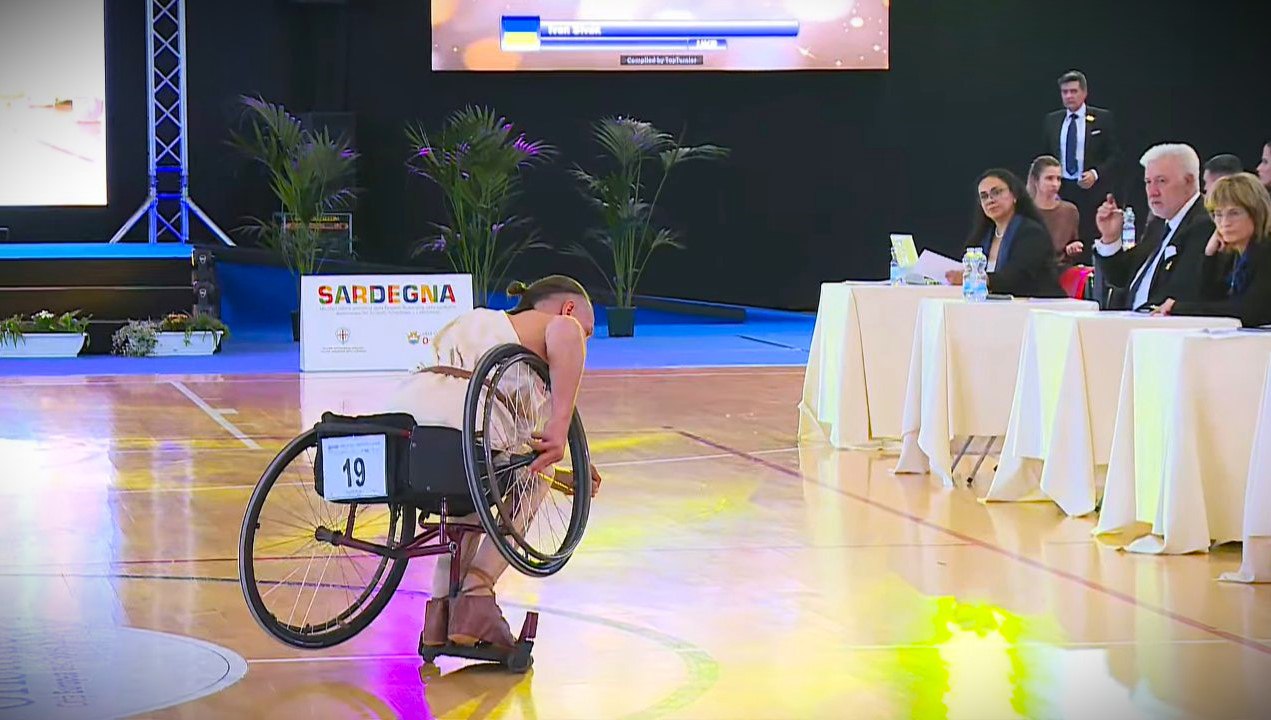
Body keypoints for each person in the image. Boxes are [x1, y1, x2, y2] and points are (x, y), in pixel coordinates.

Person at [393, 275, 601, 650]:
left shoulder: (479, 322)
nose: (584, 341)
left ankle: (439, 617)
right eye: (588, 332)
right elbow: (566, 333)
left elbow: (509, 450)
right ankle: (477, 592)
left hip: (410, 429)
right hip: (465, 433)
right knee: (533, 474)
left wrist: (567, 477)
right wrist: (559, 429)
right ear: (568, 308)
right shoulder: (558, 325)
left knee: (468, 501)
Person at [1092, 143, 1218, 310]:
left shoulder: (1204, 224)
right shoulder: (1159, 224)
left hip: (1163, 321)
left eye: (1161, 181)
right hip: (1134, 319)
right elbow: (1122, 277)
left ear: (1189, 181)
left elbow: (1182, 289)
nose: (1152, 192)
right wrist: (1110, 238)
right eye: (1148, 182)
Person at [1153, 173, 1270, 327]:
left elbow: (1249, 311)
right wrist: (1209, 255)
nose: (1225, 223)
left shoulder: (1266, 251)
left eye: (1234, 213)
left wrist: (1179, 308)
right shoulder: (1232, 254)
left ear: (1256, 214)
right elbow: (1206, 298)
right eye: (1218, 214)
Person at [944, 169, 1066, 297]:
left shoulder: (1032, 232)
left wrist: (976, 279)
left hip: (1038, 304)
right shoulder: (985, 236)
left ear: (1014, 195)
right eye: (984, 196)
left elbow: (1016, 277)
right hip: (997, 303)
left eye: (996, 192)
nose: (990, 200)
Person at [1043, 70, 1122, 240]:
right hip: (1062, 190)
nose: (1069, 96)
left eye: (1073, 91)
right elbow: (1046, 156)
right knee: (1063, 237)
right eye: (1065, 92)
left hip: (1092, 191)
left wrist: (1095, 173)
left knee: (1090, 236)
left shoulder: (1102, 118)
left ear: (1084, 93)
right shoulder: (1052, 120)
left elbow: (1115, 155)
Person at [1026, 155, 1084, 264]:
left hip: (1062, 269)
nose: (1055, 184)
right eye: (1049, 178)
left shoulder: (1070, 211)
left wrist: (1072, 248)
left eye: (1058, 179)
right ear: (1036, 180)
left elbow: (1073, 245)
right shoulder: (1024, 211)